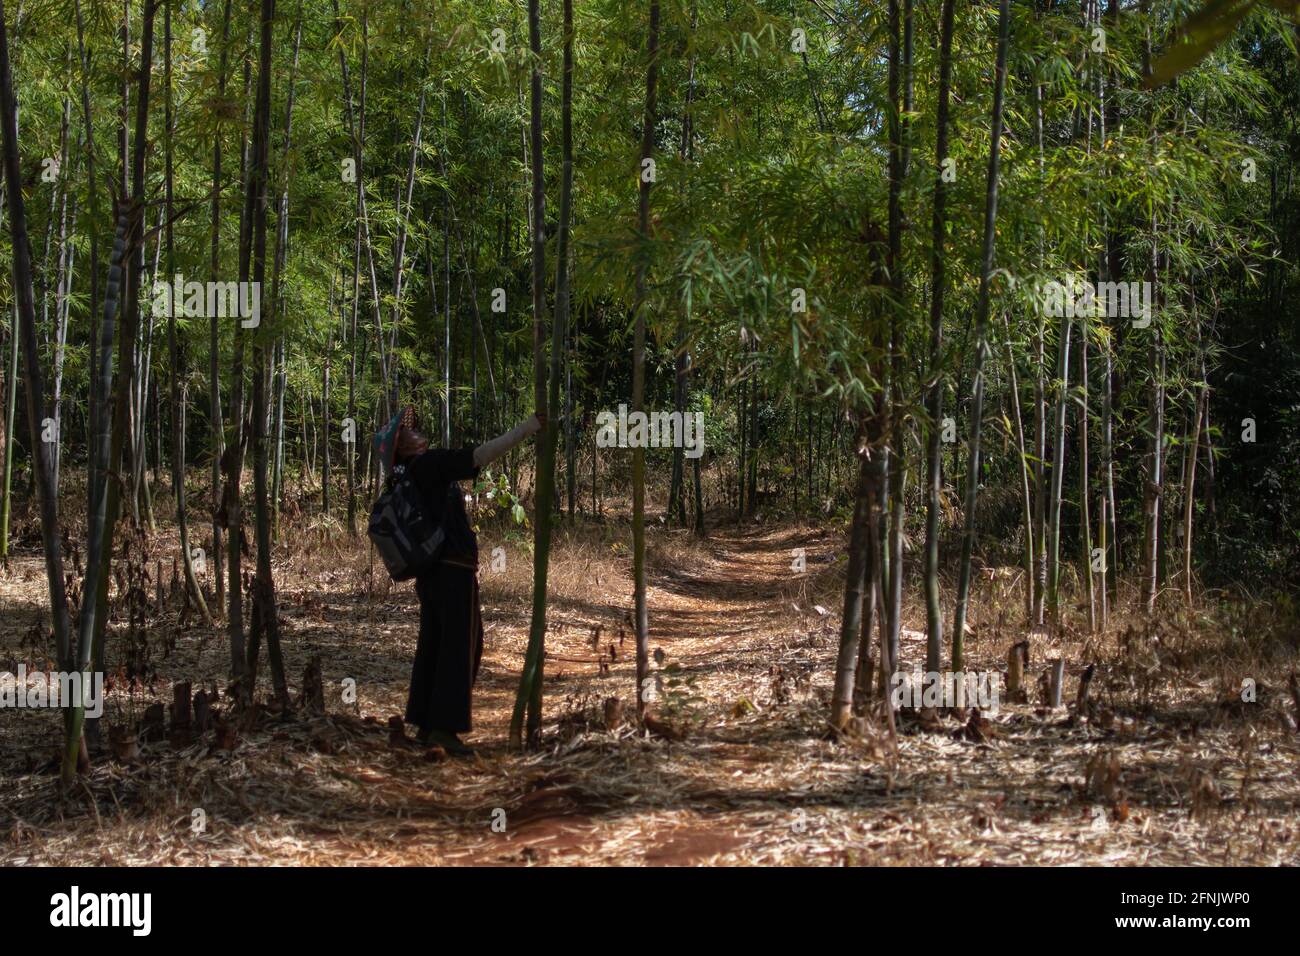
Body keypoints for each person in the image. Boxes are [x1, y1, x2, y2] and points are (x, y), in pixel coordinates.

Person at [373, 406, 545, 755]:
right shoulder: (430, 464)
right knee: (460, 646)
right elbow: (478, 456)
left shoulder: (411, 475)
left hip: (433, 574)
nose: (415, 432)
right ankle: (444, 729)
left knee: (435, 644)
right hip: (452, 571)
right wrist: (529, 427)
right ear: (402, 449)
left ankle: (424, 722)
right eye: (407, 434)